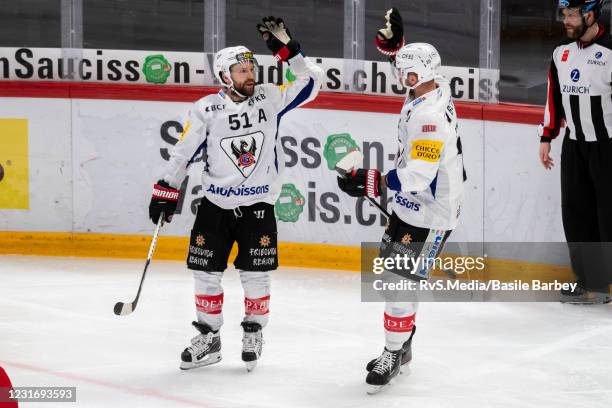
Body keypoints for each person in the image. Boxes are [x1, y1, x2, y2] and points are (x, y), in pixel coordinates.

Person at [148, 16, 323, 371]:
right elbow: (183, 152)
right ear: (225, 76)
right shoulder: (206, 110)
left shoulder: (269, 98)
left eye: (251, 67)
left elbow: (309, 83)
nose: (249, 74)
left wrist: (289, 52)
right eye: (241, 70)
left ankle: (253, 332)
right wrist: (167, 187)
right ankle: (209, 338)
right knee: (204, 273)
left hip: (259, 205)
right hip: (215, 205)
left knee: (255, 275)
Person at [337, 8, 465, 393]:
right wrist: (397, 49)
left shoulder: (430, 118)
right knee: (400, 277)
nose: (399, 77)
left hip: (430, 211)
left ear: (422, 75)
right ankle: (403, 343)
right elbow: (414, 67)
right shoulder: (429, 85)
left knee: (398, 282)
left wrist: (369, 179)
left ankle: (393, 351)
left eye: (405, 72)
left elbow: (416, 177)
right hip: (417, 206)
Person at [538, 0, 612, 304]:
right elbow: (553, 99)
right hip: (574, 145)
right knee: (576, 215)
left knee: (609, 217)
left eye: (572, 15)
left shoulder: (610, 53)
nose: (566, 21)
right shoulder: (561, 53)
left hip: (608, 147)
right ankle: (591, 283)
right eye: (564, 15)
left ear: (591, 14)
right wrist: (547, 136)